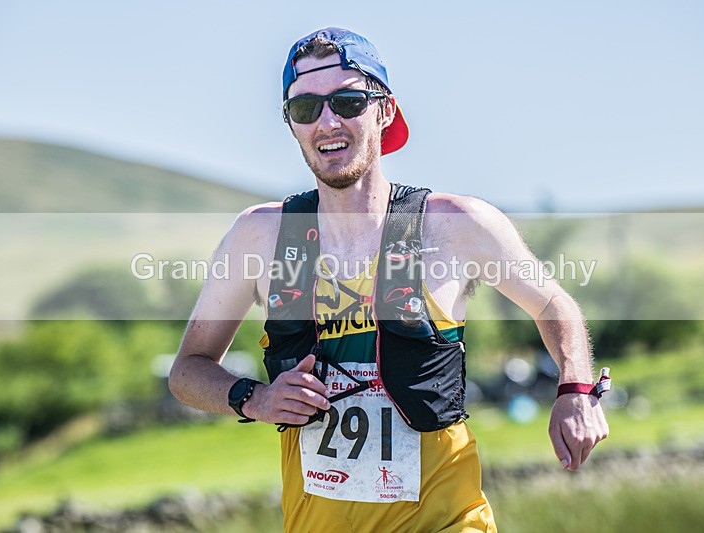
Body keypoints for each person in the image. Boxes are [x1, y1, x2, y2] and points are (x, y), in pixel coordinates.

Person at [169, 27, 609, 532]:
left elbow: (552, 302)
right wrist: (257, 398)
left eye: (348, 101)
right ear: (292, 126)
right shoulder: (261, 236)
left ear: (385, 110)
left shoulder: (455, 225)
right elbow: (187, 371)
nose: (327, 121)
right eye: (305, 108)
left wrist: (575, 387)